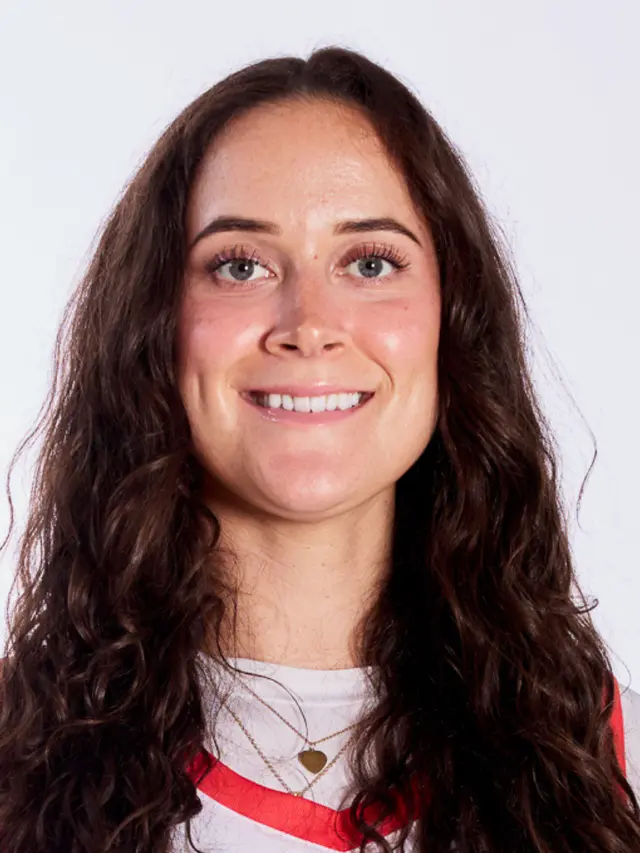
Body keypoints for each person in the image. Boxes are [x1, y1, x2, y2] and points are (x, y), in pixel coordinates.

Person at [0, 45, 638, 853]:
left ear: (455, 320)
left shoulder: (608, 762)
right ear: (154, 325)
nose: (308, 325)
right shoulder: (14, 755)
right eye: (240, 265)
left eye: (370, 262)